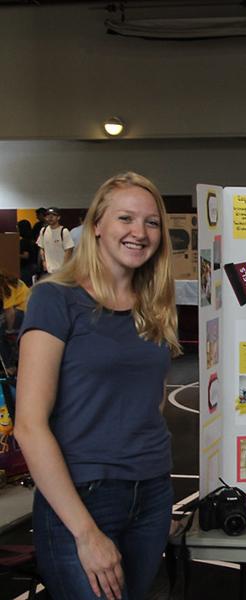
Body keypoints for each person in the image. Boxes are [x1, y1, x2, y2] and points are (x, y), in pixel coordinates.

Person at [14, 172, 180, 600]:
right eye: (126, 218)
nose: (139, 233)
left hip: (152, 491)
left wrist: (151, 480)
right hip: (82, 498)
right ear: (96, 226)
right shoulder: (56, 299)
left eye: (152, 223)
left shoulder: (155, 306)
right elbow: (29, 425)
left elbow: (151, 397)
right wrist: (86, 532)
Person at [0, 270, 29, 372]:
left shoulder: (6, 286)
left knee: (1, 333)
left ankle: (9, 367)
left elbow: (10, 312)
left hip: (23, 312)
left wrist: (9, 329)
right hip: (27, 310)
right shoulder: (10, 278)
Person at [36, 206, 75, 275]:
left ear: (58, 217)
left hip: (62, 271)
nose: (50, 217)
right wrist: (44, 261)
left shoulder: (64, 231)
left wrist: (64, 268)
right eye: (48, 215)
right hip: (48, 271)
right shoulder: (43, 231)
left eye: (53, 215)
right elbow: (41, 248)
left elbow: (69, 250)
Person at [18, 220, 41, 286]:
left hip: (26, 268)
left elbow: (26, 256)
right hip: (34, 266)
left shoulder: (24, 241)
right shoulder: (34, 239)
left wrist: (14, 255)